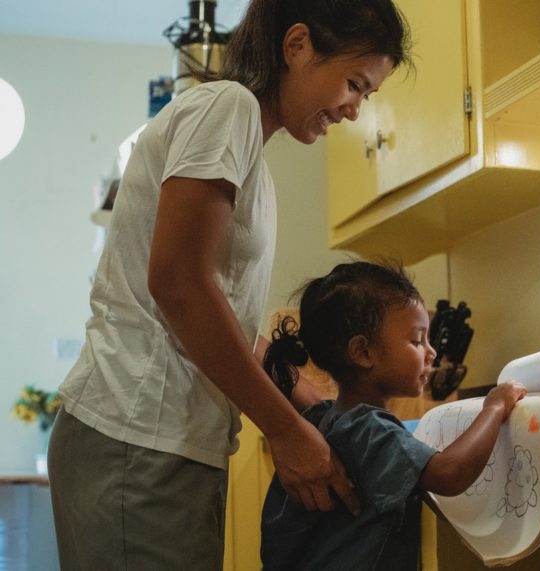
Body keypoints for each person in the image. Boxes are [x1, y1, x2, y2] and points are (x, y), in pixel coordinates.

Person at [47, 1, 411, 568]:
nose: (354, 110)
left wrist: (313, 408)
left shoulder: (255, 167)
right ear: (297, 46)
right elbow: (179, 286)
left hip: (163, 442)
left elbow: (224, 322)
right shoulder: (228, 106)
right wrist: (288, 432)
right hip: (137, 434)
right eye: (353, 83)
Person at [259, 261, 527, 570]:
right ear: (363, 353)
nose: (432, 353)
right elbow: (450, 474)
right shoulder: (367, 427)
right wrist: (494, 407)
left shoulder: (323, 418)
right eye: (416, 340)